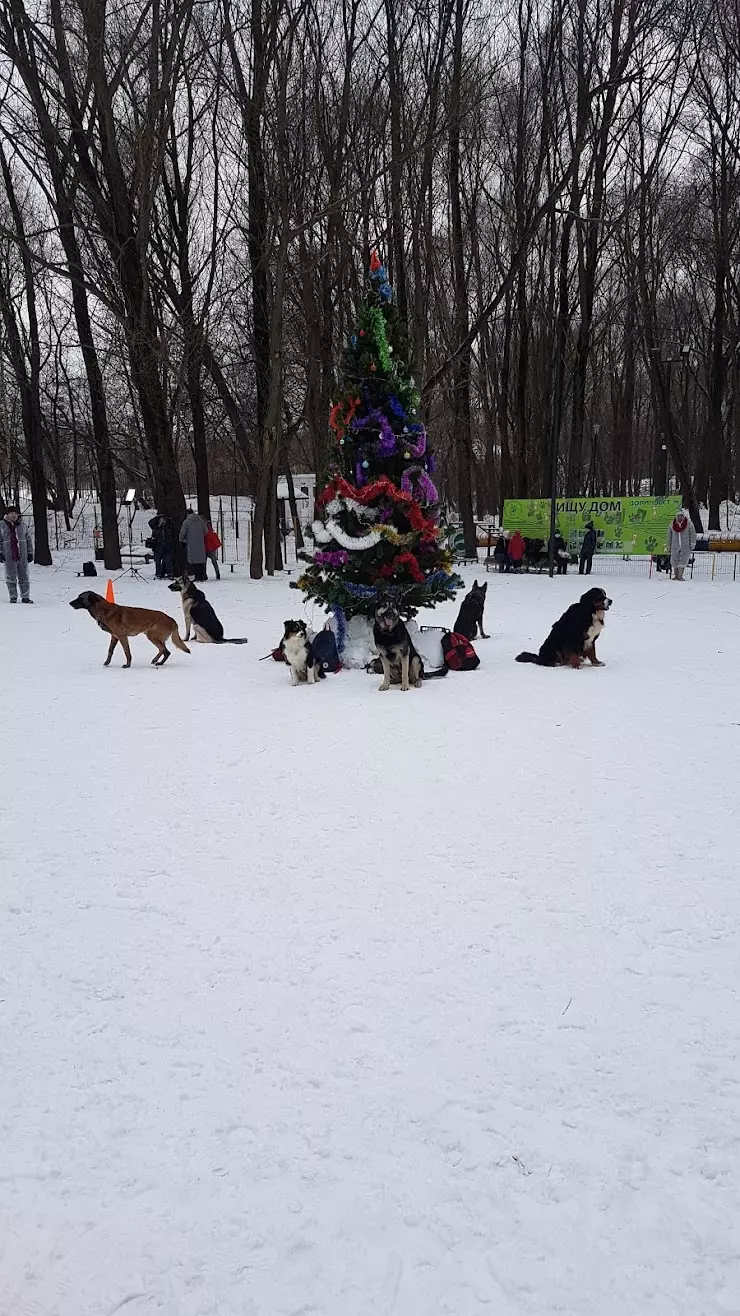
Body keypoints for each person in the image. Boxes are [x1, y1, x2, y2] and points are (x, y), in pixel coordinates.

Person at [0, 505, 33, 603]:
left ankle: (25, 596)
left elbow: (28, 540)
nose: (13, 515)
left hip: (22, 555)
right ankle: (13, 596)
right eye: (11, 513)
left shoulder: (22, 525)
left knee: (24, 576)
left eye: (15, 513)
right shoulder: (2, 525)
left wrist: (30, 552)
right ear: (7, 514)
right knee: (10, 576)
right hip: (8, 555)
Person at [666, 509, 697, 580]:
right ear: (676, 516)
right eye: (678, 516)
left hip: (685, 545)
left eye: (681, 516)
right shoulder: (672, 524)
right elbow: (669, 536)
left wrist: (692, 544)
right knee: (674, 560)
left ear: (683, 516)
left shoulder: (689, 523)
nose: (680, 517)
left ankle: (680, 576)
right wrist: (669, 546)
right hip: (675, 545)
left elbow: (693, 534)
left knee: (683, 560)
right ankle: (676, 576)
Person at [179, 507, 207, 581]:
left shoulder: (186, 522)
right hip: (200, 544)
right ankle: (201, 576)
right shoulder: (201, 521)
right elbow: (206, 531)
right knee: (200, 560)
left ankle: (196, 576)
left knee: (193, 560)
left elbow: (182, 533)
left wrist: (181, 540)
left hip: (191, 544)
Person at [148, 512, 174, 580]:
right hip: (158, 546)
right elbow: (150, 522)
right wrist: (158, 518)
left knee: (168, 560)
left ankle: (169, 573)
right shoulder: (156, 527)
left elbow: (171, 523)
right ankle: (158, 573)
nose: (164, 521)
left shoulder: (167, 526)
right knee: (158, 560)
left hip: (167, 545)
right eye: (162, 520)